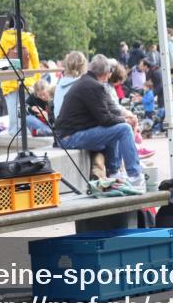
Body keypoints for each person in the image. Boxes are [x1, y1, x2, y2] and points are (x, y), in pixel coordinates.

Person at [55, 54, 144, 196]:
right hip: (69, 137)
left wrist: (128, 116)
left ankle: (115, 175)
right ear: (106, 74)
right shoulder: (93, 86)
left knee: (117, 128)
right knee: (124, 129)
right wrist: (125, 121)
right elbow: (105, 119)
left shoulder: (88, 82)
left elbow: (110, 108)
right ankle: (135, 176)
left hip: (67, 134)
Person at [0, 15, 40, 140]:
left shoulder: (4, 38)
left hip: (9, 79)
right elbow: (34, 58)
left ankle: (14, 134)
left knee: (12, 110)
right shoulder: (27, 38)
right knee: (24, 110)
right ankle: (25, 134)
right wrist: (36, 77)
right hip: (26, 79)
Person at [53, 51, 88, 120]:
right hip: (75, 127)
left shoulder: (60, 84)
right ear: (84, 65)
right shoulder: (83, 84)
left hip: (59, 125)